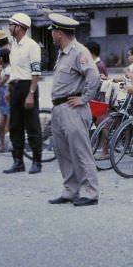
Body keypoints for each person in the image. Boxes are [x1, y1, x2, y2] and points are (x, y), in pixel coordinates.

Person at [46, 13, 102, 206]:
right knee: (64, 152)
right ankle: (71, 189)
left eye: (53, 31)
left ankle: (90, 192)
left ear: (59, 33)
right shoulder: (63, 53)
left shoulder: (79, 52)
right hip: (59, 108)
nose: (51, 35)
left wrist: (84, 98)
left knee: (80, 152)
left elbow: (94, 77)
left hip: (72, 108)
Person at [4, 12, 43, 174]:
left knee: (32, 125)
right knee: (15, 125)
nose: (9, 27)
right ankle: (18, 161)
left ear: (19, 27)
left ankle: (36, 161)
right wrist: (8, 88)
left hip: (28, 86)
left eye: (11, 25)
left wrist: (31, 94)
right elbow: (14, 70)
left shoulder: (31, 45)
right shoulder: (13, 45)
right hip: (15, 86)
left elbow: (35, 72)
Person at [0, 48, 11, 154]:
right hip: (2, 96)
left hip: (8, 94)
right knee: (1, 124)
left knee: (9, 123)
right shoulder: (4, 68)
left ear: (1, 58)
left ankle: (12, 146)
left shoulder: (8, 69)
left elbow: (0, 83)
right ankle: (2, 145)